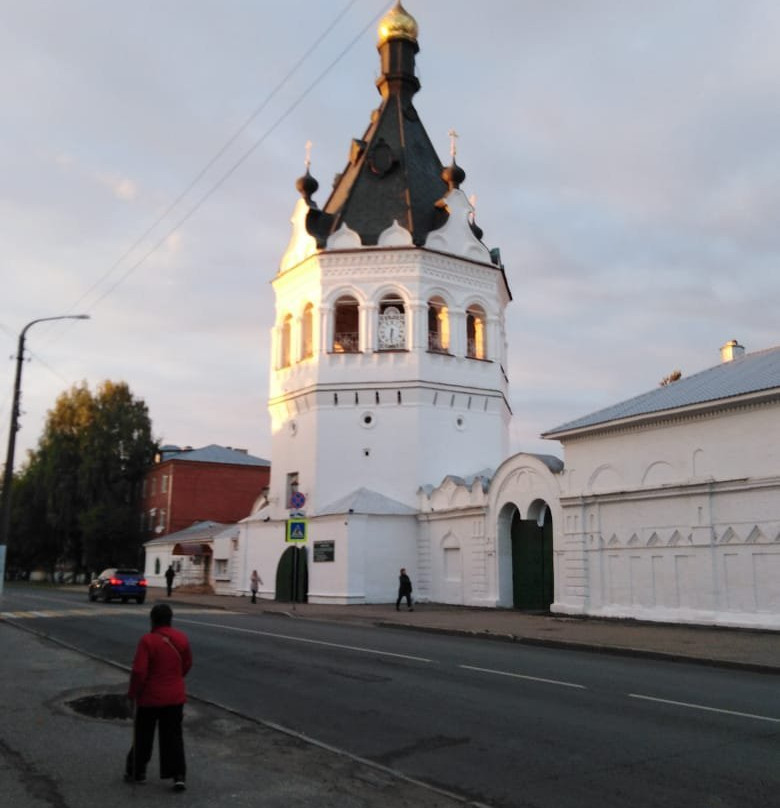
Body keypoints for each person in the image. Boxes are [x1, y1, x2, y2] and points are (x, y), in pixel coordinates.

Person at [125, 603, 192, 791]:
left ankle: (137, 772)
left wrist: (132, 694)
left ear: (152, 620)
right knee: (173, 736)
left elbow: (139, 671)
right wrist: (175, 680)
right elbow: (187, 664)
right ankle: (178, 775)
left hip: (150, 697)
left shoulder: (147, 641)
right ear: (170, 620)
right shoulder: (181, 638)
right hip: (175, 696)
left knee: (143, 735)